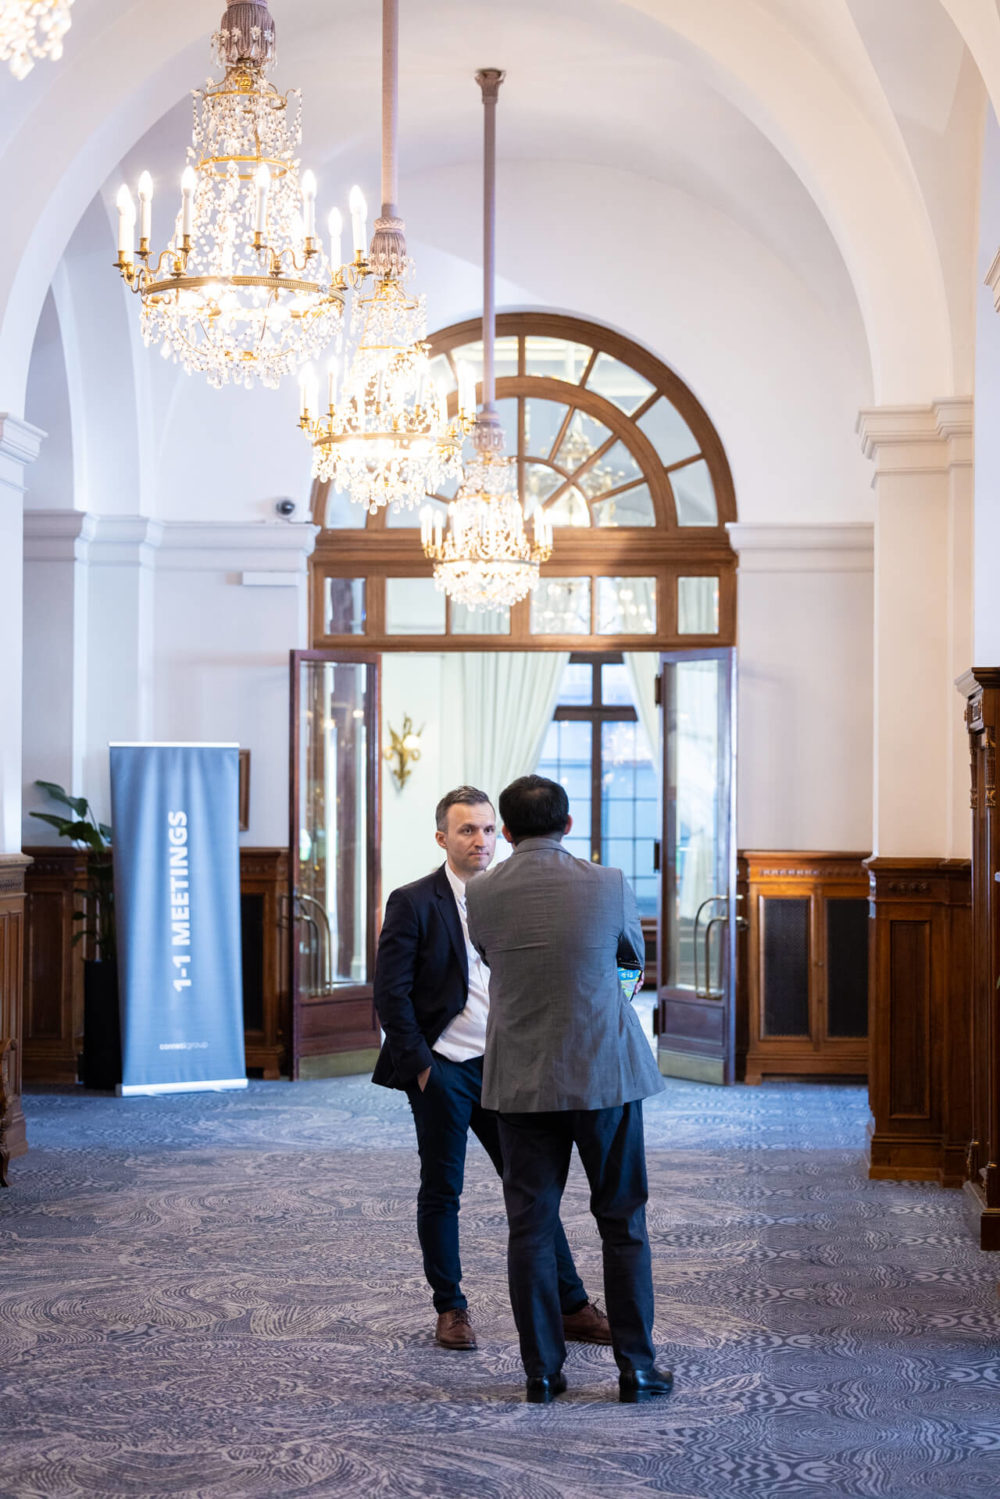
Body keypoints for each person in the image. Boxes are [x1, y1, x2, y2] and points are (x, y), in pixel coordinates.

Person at [371, 784, 611, 1353]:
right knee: (442, 1190)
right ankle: (451, 1308)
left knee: (531, 1191)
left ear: (500, 834)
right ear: (442, 838)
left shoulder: (514, 892)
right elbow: (391, 994)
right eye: (465, 830)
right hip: (445, 1069)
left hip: (510, 1066)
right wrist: (422, 1068)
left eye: (485, 829)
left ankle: (572, 1304)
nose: (478, 840)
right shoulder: (414, 900)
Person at [466, 774, 673, 1404]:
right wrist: (604, 1003)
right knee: (623, 1221)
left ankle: (542, 1373)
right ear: (568, 824)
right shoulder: (607, 883)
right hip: (604, 1071)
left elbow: (491, 956)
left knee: (530, 1226)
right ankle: (636, 1369)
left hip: (522, 1079)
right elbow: (632, 960)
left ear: (504, 831)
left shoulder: (482, 891)